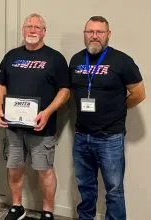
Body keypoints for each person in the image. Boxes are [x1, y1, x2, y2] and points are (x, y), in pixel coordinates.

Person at [69, 16, 146, 220]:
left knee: (114, 190)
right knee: (85, 187)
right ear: (84, 35)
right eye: (90, 32)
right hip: (81, 136)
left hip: (109, 138)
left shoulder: (122, 61)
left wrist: (118, 110)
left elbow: (139, 93)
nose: (94, 36)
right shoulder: (76, 60)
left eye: (99, 32)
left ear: (108, 34)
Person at [0, 13, 70, 220]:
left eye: (37, 27)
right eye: (29, 26)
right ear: (23, 30)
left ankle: (47, 211)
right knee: (14, 168)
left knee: (45, 171)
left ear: (44, 31)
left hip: (41, 127)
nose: (32, 30)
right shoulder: (11, 56)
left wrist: (47, 113)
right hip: (13, 128)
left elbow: (65, 91)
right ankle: (17, 206)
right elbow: (1, 85)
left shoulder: (55, 58)